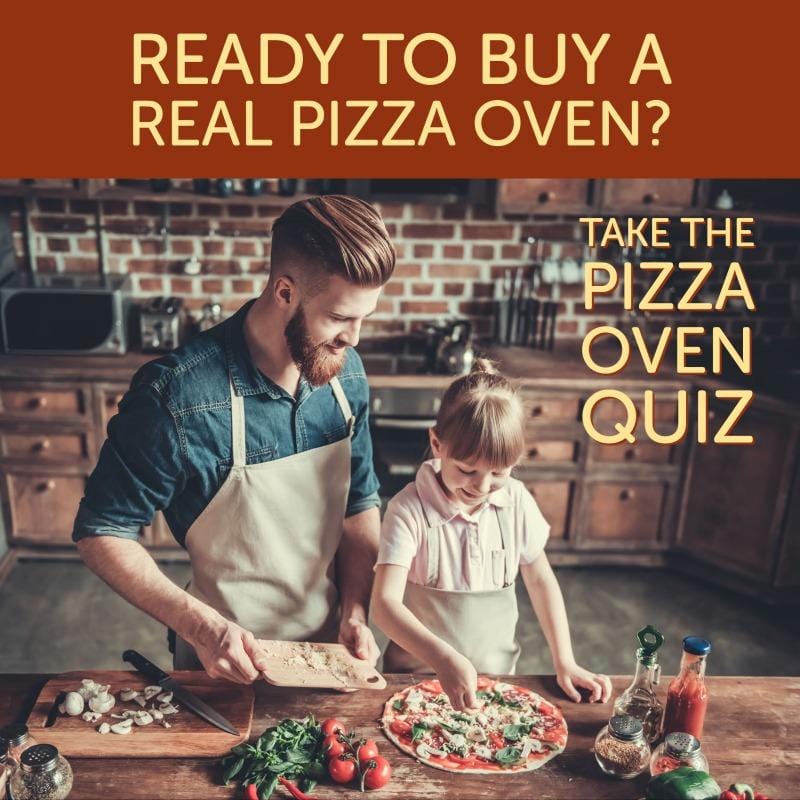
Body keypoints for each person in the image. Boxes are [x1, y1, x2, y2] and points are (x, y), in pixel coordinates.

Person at [72, 195, 395, 683]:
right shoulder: (177, 396)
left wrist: (355, 609)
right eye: (339, 317)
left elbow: (358, 504)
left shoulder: (346, 377)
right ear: (284, 292)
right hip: (221, 662)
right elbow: (102, 531)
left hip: (330, 657)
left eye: (363, 317)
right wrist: (199, 627)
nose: (354, 337)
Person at [371, 359, 613, 711]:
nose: (482, 487)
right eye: (467, 470)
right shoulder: (408, 510)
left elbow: (540, 580)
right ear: (437, 444)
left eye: (499, 472)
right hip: (415, 685)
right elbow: (384, 605)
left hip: (496, 684)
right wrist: (443, 659)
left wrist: (565, 661)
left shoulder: (516, 500)